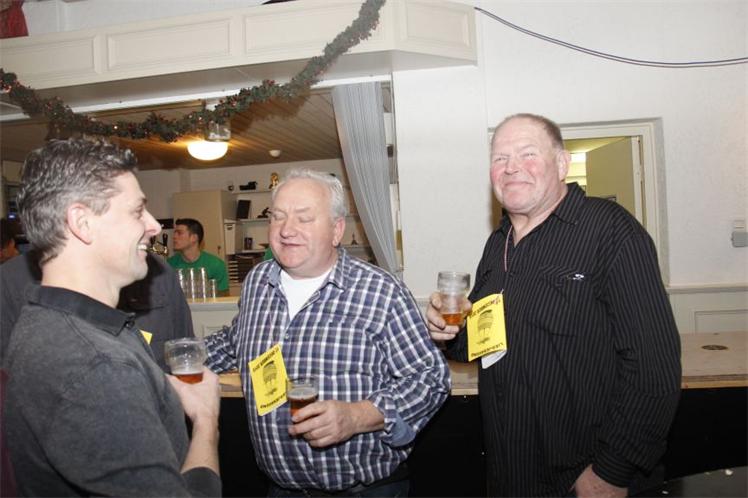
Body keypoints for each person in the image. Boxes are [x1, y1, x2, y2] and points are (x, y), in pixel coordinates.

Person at [427, 114, 681, 497]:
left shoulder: (610, 230)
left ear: (561, 164)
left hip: (584, 480)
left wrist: (611, 472)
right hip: (510, 474)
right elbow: (481, 346)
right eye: (500, 158)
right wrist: (449, 332)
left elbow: (654, 367)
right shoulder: (497, 245)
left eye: (528, 153)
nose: (511, 167)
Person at [205, 169, 450, 496]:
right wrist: (164, 357)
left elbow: (431, 377)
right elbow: (235, 341)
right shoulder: (257, 283)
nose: (286, 230)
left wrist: (358, 416)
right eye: (277, 217)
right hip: (280, 489)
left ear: (337, 230)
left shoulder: (380, 291)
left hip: (364, 491)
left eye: (304, 218)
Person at [3, 138, 221, 496]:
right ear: (82, 222)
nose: (154, 225)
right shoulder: (97, 365)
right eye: (137, 211)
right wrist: (206, 421)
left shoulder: (45, 321)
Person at [0, 249, 195, 371]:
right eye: (135, 211)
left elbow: (186, 355)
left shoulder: (159, 274)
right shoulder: (10, 282)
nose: (153, 225)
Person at [168, 217, 230, 294]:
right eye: (175, 233)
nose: (174, 237)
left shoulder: (216, 265)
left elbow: (223, 297)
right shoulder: (168, 265)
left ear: (194, 238)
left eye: (179, 233)